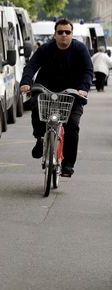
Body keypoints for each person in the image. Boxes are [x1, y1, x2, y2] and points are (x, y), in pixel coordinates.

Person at [20, 18, 92, 178]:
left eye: (68, 32)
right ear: (55, 34)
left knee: (72, 126)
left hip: (73, 94)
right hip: (46, 90)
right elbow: (31, 66)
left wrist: (83, 89)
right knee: (36, 108)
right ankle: (40, 138)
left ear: (72, 34)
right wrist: (26, 82)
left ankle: (68, 165)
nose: (64, 35)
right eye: (60, 32)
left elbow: (87, 70)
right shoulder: (46, 49)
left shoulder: (80, 50)